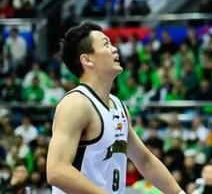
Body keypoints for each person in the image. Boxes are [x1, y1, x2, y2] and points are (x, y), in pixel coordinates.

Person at [46, 22, 184, 194]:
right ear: (87, 60)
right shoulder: (76, 103)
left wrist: (179, 193)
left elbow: (145, 160)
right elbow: (56, 171)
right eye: (106, 44)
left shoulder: (119, 106)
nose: (114, 49)